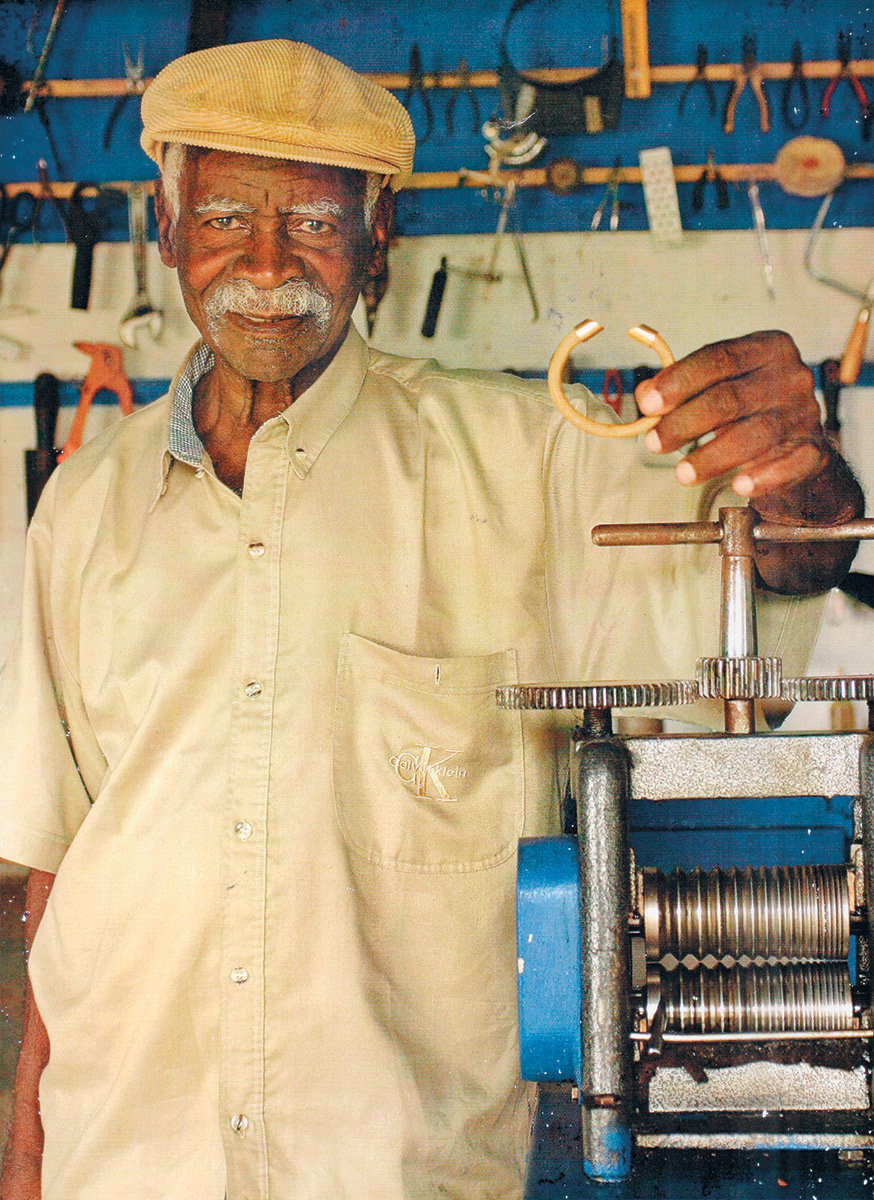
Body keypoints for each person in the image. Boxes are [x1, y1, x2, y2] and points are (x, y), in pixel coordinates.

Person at [0, 39, 863, 1200]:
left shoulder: (532, 461)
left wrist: (802, 475)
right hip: (127, 1160)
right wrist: (27, 1159)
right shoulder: (84, 501)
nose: (265, 263)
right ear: (167, 234)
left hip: (399, 1169)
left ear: (377, 239)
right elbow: (61, 872)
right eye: (224, 220)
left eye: (310, 221)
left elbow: (754, 591)